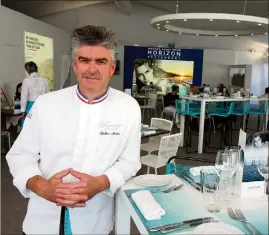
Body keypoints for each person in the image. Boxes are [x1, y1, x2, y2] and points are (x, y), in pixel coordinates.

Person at [6, 25, 141, 234]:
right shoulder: (46, 104)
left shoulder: (128, 107)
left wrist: (100, 183)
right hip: (42, 219)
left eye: (101, 61)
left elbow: (129, 162)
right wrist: (41, 186)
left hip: (94, 220)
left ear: (112, 68)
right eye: (84, 60)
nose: (92, 68)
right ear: (75, 66)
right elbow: (20, 154)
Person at [20, 61, 49, 128]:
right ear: (36, 69)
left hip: (30, 106)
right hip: (42, 106)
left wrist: (23, 111)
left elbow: (24, 96)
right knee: (40, 127)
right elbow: (48, 95)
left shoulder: (26, 80)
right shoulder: (44, 80)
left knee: (29, 127)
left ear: (28, 70)